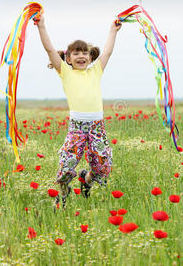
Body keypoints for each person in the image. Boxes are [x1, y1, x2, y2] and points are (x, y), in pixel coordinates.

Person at [35, 14, 122, 208]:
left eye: (85, 53)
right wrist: (41, 26)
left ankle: (86, 180)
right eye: (76, 53)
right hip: (77, 127)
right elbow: (49, 49)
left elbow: (107, 52)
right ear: (68, 58)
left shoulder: (96, 70)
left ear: (91, 58)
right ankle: (63, 196)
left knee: (102, 166)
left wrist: (113, 31)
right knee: (67, 164)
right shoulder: (65, 72)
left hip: (96, 127)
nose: (81, 56)